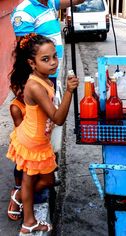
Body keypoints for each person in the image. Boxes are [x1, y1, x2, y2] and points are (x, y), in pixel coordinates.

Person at [6, 33, 79, 234]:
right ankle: (27, 220)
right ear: (32, 63)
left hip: (37, 138)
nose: (53, 63)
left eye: (54, 57)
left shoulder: (44, 78)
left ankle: (22, 205)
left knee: (41, 181)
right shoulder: (35, 85)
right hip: (33, 141)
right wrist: (69, 92)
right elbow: (58, 118)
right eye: (45, 59)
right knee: (38, 180)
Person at [11, 0, 85, 89]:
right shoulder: (23, 12)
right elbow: (24, 51)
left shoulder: (51, 3)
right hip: (39, 78)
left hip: (52, 72)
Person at [7, 83, 25, 221]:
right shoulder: (16, 106)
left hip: (37, 139)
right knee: (20, 166)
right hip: (22, 139)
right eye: (17, 88)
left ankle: (21, 192)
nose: (20, 92)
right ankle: (17, 190)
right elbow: (21, 130)